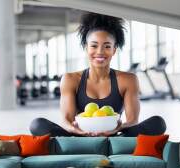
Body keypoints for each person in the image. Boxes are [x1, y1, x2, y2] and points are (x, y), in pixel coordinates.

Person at [30, 13, 166, 137]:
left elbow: (132, 120)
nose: (100, 52)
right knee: (37, 124)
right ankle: (93, 146)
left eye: (107, 46)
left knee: (158, 123)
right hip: (80, 136)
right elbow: (67, 120)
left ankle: (100, 146)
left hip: (114, 135)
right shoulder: (70, 79)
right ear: (86, 48)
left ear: (114, 50)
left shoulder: (128, 80)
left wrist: (117, 129)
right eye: (94, 46)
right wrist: (76, 131)